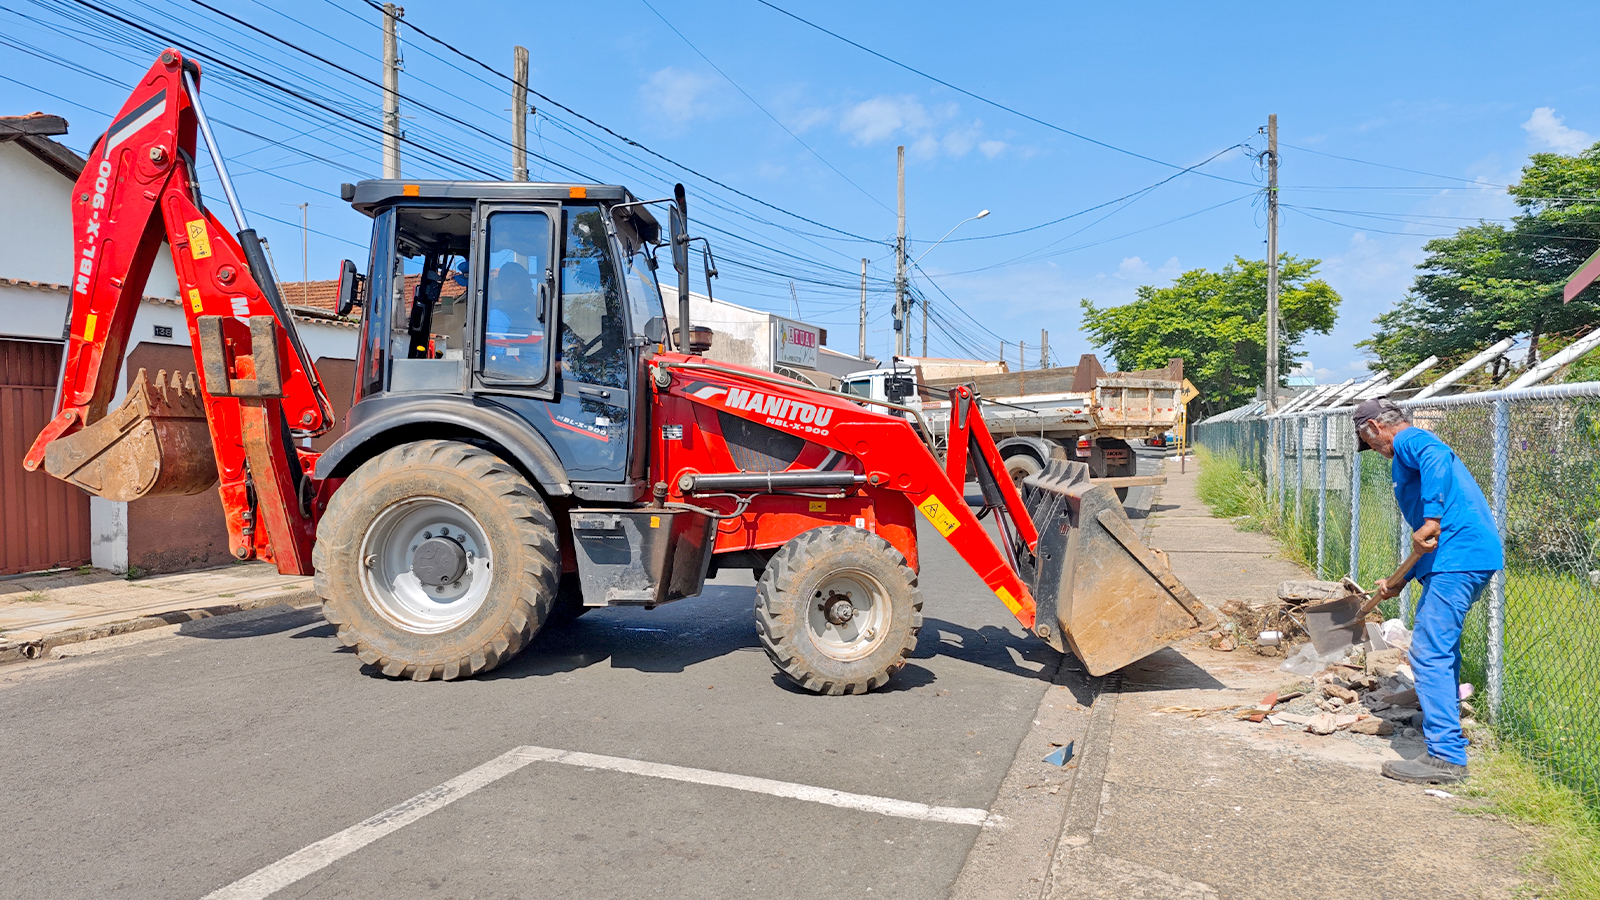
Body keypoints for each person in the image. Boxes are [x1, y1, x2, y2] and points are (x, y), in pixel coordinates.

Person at [1355, 397, 1504, 785]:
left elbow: (1436, 457)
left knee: (1429, 650)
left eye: (1369, 443)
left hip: (1459, 558)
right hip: (1459, 556)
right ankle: (1443, 721)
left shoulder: (1410, 440)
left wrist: (1433, 516)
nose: (1375, 451)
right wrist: (1399, 581)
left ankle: (1446, 757)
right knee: (1442, 647)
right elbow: (1428, 543)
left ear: (1373, 428)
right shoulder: (1406, 450)